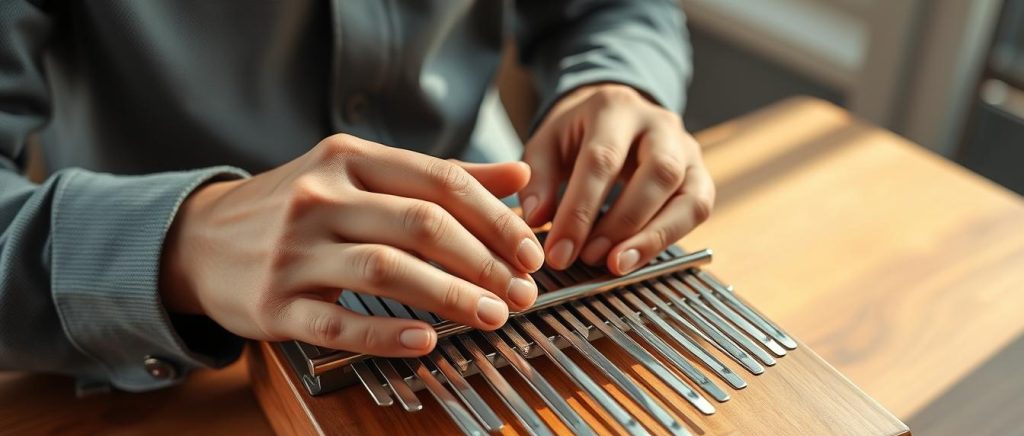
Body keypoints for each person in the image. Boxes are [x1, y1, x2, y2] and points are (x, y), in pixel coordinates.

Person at [0, 1, 715, 392]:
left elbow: (608, 10)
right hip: (182, 364)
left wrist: (618, 80)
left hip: (505, 257)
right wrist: (178, 246)